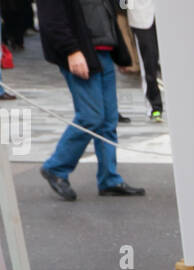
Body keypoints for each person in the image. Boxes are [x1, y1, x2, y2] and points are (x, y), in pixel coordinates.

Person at [35, 0, 145, 200]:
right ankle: (56, 168)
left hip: (102, 51)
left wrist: (119, 52)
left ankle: (109, 179)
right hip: (81, 52)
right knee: (91, 116)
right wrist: (71, 51)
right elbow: (52, 17)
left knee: (108, 121)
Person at [127, 0, 162, 121]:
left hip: (165, 18)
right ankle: (154, 106)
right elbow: (123, 3)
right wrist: (124, 15)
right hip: (141, 18)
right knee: (149, 64)